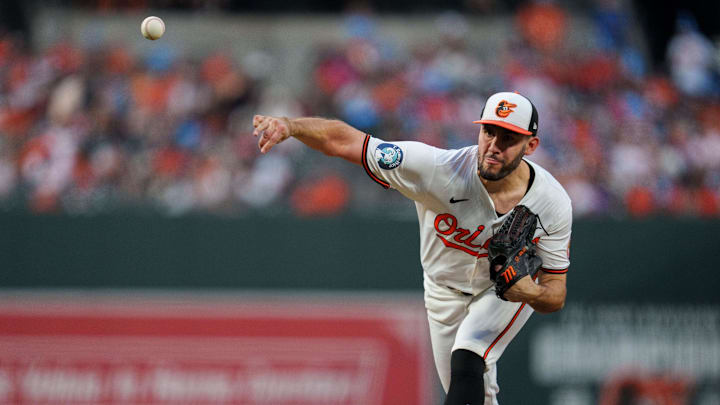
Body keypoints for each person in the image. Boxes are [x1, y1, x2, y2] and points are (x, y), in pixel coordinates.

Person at [252, 91, 571, 405]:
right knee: (474, 392)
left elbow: (555, 294)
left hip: (502, 289)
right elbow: (348, 141)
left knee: (469, 355)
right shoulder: (437, 170)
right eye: (489, 132)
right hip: (443, 291)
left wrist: (528, 292)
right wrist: (291, 126)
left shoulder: (551, 202)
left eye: (509, 138)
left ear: (531, 145)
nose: (494, 146)